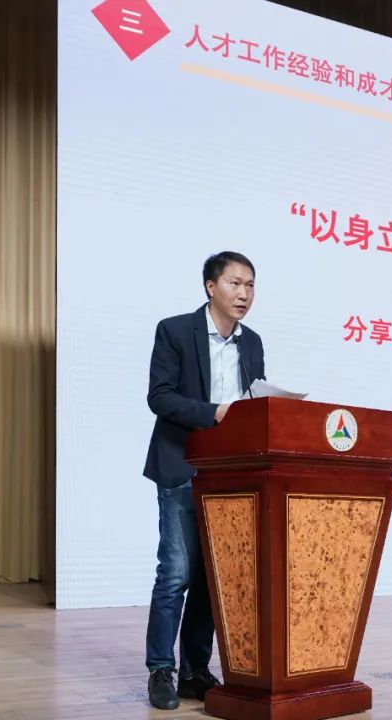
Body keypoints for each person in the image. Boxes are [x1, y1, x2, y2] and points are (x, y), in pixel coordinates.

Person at [141, 251, 266, 710]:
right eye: (235, 283)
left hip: (229, 474)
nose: (244, 293)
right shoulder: (174, 331)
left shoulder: (252, 343)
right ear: (211, 287)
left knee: (212, 576)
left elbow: (252, 401)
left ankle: (195, 670)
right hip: (181, 466)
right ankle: (161, 669)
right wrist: (215, 413)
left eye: (250, 285)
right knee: (176, 572)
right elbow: (160, 397)